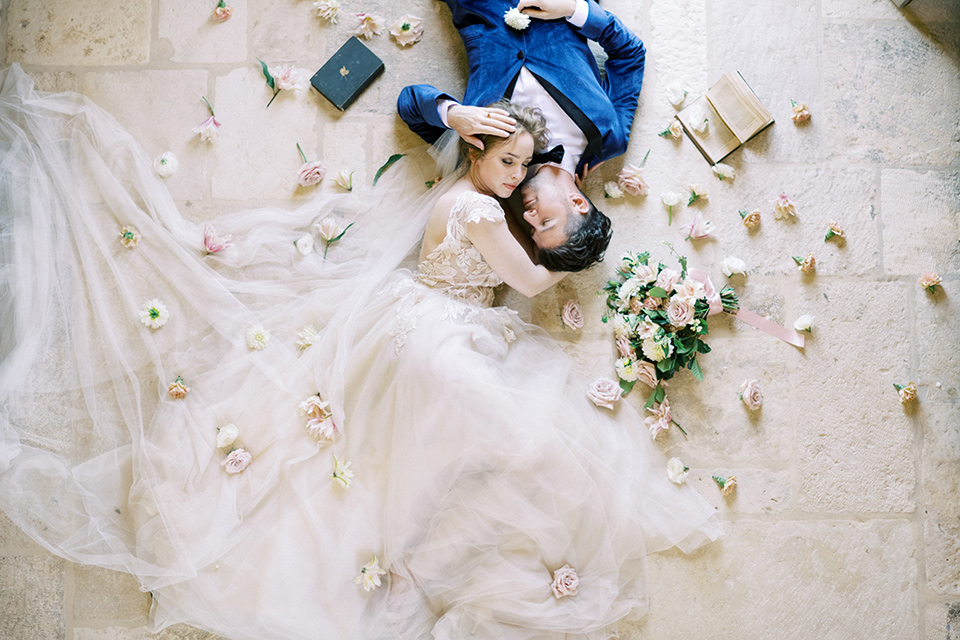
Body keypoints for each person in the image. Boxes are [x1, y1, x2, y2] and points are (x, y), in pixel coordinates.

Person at [0, 65, 719, 640]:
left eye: (523, 167)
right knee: (517, 446)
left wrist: (541, 210)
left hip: (423, 324)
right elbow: (530, 279)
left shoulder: (475, 200)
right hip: (440, 338)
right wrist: (567, 250)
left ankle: (416, 558)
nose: (517, 182)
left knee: (403, 458)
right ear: (478, 147)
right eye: (509, 163)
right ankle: (418, 565)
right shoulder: (477, 208)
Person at [397, 0, 646, 272]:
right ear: (578, 202)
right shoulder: (611, 139)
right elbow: (630, 55)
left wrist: (454, 115)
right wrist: (574, 9)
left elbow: (409, 105)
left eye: (531, 227)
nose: (528, 215)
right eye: (546, 221)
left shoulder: (488, 165)